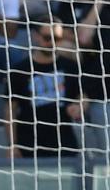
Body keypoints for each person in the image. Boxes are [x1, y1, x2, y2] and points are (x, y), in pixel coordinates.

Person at [6, 19, 83, 158]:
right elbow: (10, 110)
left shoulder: (71, 67)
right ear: (36, 36)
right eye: (47, 38)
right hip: (30, 143)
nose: (52, 43)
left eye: (57, 38)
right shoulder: (20, 70)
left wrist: (79, 106)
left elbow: (83, 95)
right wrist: (13, 144)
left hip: (64, 141)